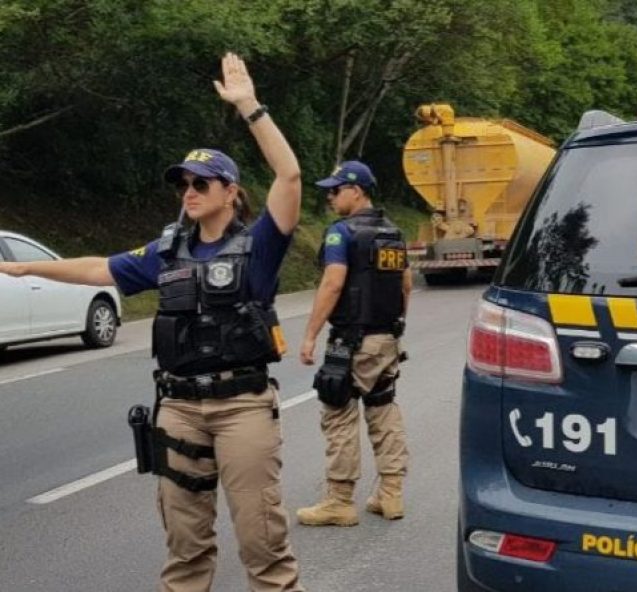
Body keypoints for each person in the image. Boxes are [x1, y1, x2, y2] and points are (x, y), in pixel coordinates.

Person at [0, 52, 306, 592]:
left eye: (202, 183)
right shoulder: (166, 251)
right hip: (180, 408)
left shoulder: (258, 244)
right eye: (183, 182)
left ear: (230, 193)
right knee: (185, 548)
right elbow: (100, 266)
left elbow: (289, 174)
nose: (188, 190)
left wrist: (250, 107)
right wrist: (21, 264)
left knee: (262, 543)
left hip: (241, 407)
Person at [297, 160, 411, 527]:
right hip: (386, 338)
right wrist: (394, 329)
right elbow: (405, 286)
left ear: (357, 190)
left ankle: (339, 501)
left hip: (351, 339)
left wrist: (311, 334)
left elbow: (332, 284)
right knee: (382, 408)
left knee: (338, 411)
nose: (330, 197)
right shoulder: (393, 232)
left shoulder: (341, 234)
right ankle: (390, 494)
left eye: (335, 190)